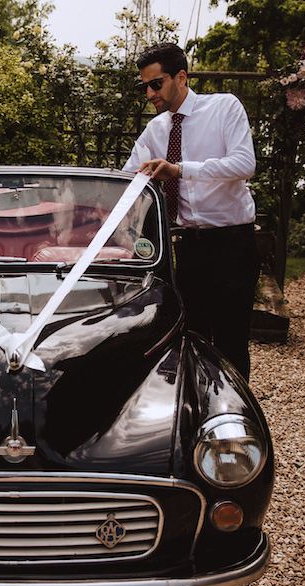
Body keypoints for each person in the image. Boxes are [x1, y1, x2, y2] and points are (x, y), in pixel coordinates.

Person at [123, 43, 261, 382]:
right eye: (144, 87)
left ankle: (233, 423)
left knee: (231, 341)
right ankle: (196, 419)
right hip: (186, 247)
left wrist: (180, 169)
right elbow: (128, 182)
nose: (149, 93)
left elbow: (245, 164)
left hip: (233, 244)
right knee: (191, 340)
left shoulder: (224, 107)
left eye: (155, 84)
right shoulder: (156, 130)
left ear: (181, 77)